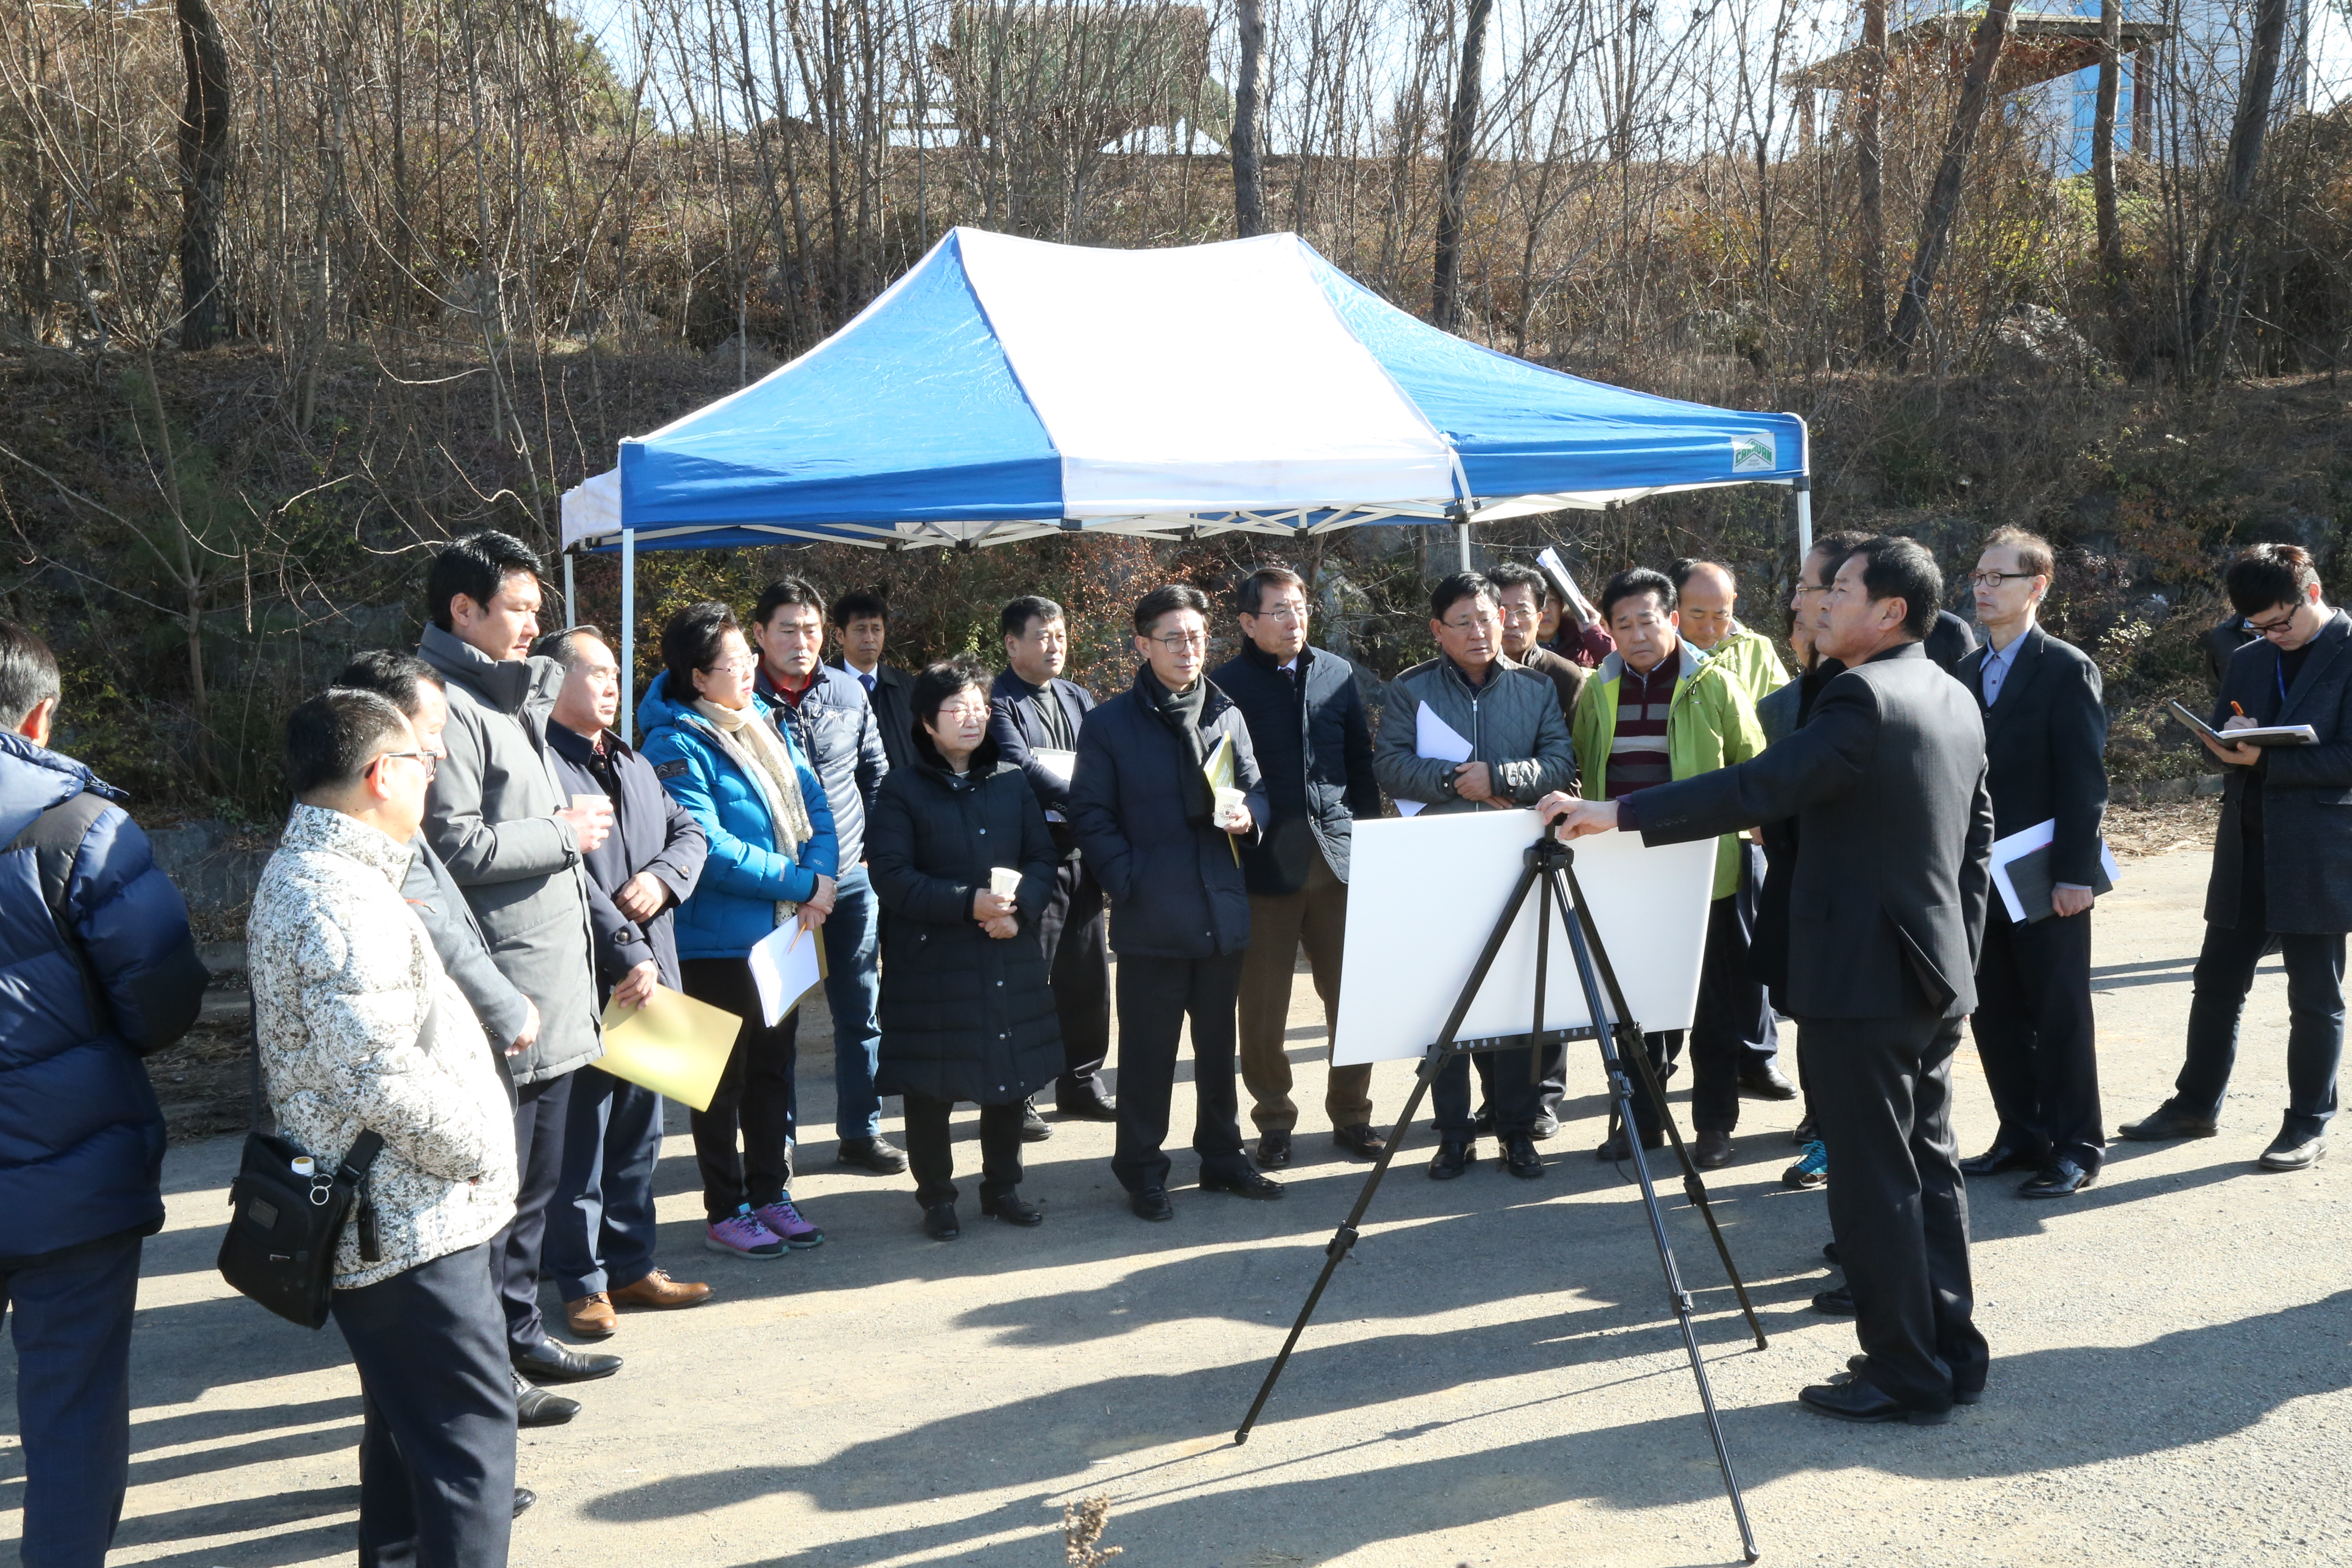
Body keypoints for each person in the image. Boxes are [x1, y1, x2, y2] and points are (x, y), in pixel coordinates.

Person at [1545, 534, 1996, 1426]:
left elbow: (1756, 786)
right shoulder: (1948, 689)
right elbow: (1971, 838)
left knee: (1874, 1184)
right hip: (1932, 973)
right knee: (1929, 1169)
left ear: (1890, 613)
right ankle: (1951, 1350)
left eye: (1840, 593)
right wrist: (1959, 954)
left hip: (1861, 983)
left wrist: (1615, 812)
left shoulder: (1863, 697)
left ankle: (1903, 1371)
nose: (1820, 606)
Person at [250, 688, 520, 1561]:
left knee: (407, 1453)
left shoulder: (330, 874)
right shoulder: (339, 897)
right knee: (469, 1457)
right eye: (423, 761)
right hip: (412, 1221)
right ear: (380, 775)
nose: (432, 776)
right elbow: (378, 1073)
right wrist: (477, 1144)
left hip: (396, 1217)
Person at [0, 619, 206, 1562]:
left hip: (63, 1173)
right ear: (38, 717)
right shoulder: (81, 826)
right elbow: (161, 996)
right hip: (72, 1179)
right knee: (73, 1415)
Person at [334, 650, 577, 1434]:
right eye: (428, 734)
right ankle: (466, 1443)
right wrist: (506, 1007)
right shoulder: (365, 844)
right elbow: (441, 929)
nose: (439, 752)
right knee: (438, 1289)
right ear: (381, 736)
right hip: (417, 1115)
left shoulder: (384, 823)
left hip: (429, 1096)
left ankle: (477, 1406)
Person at [416, 531, 618, 1392]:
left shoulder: (510, 697)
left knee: (536, 1188)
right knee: (501, 1195)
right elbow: (446, 844)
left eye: (539, 609)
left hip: (552, 982)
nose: (533, 625)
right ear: (463, 610)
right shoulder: (445, 707)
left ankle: (522, 1334)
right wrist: (560, 834)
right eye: (517, 609)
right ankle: (492, 1368)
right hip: (507, 989)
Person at [2123, 544, 2352, 1171]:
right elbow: (2225, 735)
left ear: (2312, 592)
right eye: (2259, 627)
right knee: (2217, 983)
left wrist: (2270, 758)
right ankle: (2194, 1105)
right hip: (2247, 840)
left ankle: (2308, 1121)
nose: (2273, 636)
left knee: (2314, 995)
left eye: (2282, 622)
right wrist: (2219, 744)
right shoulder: (2249, 658)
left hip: (2318, 848)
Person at [1068, 583, 1278, 1220]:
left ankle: (1222, 1156)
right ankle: (1142, 1169)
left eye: (1196, 637)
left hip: (1220, 907)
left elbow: (1258, 789)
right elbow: (1090, 816)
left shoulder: (1226, 711)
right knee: (1149, 1056)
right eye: (1173, 639)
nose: (1188, 650)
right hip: (1151, 914)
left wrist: (1251, 818)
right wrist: (1128, 881)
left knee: (1218, 1050)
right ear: (1141, 644)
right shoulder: (1109, 724)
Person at [640, 602, 841, 1257]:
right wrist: (802, 884)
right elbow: (712, 849)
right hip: (714, 943)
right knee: (716, 1085)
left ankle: (771, 1194)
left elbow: (816, 805)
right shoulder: (673, 741)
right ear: (699, 677)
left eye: (750, 660)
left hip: (781, 931)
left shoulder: (764, 723)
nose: (751, 672)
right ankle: (726, 1208)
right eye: (735, 664)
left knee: (772, 1074)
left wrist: (819, 880)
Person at [534, 626, 715, 1335]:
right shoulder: (541, 768)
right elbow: (565, 878)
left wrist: (663, 879)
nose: (612, 685)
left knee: (640, 1138)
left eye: (616, 673)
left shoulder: (631, 759)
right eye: (596, 673)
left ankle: (634, 1266)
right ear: (552, 681)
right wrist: (625, 949)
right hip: (590, 985)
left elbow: (689, 833)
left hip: (654, 980)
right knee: (580, 1144)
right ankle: (581, 1284)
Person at [1374, 570, 1575, 1180]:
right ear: (1438, 631)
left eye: (1488, 618)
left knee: (1514, 1005)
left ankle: (1517, 1131)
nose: (1481, 631)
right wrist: (1456, 779)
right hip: (1440, 863)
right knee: (1449, 1005)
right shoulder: (1410, 689)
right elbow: (1390, 765)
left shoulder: (1537, 688)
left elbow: (1561, 763)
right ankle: (1454, 1134)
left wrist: (1505, 778)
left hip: (1514, 862)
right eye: (1463, 622)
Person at [1570, 567, 1769, 1166]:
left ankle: (1714, 1126)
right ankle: (1642, 1124)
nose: (1636, 635)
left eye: (1647, 621)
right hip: (1625, 875)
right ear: (1609, 630)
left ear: (1673, 622)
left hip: (1704, 874)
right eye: (1622, 624)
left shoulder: (1717, 686)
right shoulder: (1596, 691)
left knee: (1712, 1009)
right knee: (1635, 1012)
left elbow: (1753, 772)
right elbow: (1584, 766)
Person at [867, 659, 1064, 1239]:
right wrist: (968, 903)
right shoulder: (901, 789)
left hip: (1005, 949)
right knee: (932, 1085)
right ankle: (937, 1197)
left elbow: (1042, 859)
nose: (973, 717)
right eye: (957, 708)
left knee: (1008, 1074)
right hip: (933, 960)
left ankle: (1003, 1188)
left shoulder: (1011, 779)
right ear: (927, 723)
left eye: (979, 706)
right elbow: (893, 876)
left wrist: (1021, 908)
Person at [1210, 566, 1386, 1168]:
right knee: (1263, 1008)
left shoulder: (1336, 674)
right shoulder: (1225, 687)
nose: (1294, 619)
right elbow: (1221, 777)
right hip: (1264, 865)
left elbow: (1359, 767)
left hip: (1338, 860)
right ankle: (1275, 1120)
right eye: (1280, 610)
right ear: (1248, 622)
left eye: (1301, 607)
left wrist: (1370, 842)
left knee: (1353, 997)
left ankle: (1354, 1115)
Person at [1955, 529, 2111, 1198]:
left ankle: (2077, 1144)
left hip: (2045, 870)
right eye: (1981, 577)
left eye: (2000, 578)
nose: (1984, 589)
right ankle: (2021, 1132)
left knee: (2060, 1009)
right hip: (1977, 872)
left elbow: (2085, 781)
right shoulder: (1962, 670)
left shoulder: (2065, 667)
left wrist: (2076, 873)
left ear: (2037, 587)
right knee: (1993, 1009)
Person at [751, 578, 902, 1176]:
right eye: (787, 629)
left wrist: (868, 854)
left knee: (859, 1012)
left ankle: (860, 1132)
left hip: (850, 880)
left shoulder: (845, 690)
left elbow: (878, 773)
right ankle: (776, 1144)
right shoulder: (741, 695)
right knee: (777, 1019)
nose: (801, 640)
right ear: (759, 634)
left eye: (810, 629)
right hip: (780, 888)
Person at [1753, 533, 1870, 1194]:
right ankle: (1824, 1126)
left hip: (1859, 911)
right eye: (1797, 614)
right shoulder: (1779, 706)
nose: (1806, 618)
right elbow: (1755, 788)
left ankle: (1839, 1142)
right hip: (1794, 882)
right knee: (1811, 1017)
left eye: (1814, 600)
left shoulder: (1874, 692)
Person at [1668, 558, 1797, 1120]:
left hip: (1740, 828)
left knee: (1746, 948)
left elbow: (1778, 730)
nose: (1714, 627)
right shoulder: (1652, 652)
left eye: (1724, 614)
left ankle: (1758, 1054)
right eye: (1699, 615)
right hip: (1670, 827)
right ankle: (1662, 1060)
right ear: (1674, 610)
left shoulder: (1755, 649)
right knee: (1673, 956)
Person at [989, 595, 1118, 1127]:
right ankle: (1016, 1092)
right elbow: (1016, 764)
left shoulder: (1076, 695)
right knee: (1026, 977)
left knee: (1086, 975)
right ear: (1012, 643)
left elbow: (1103, 757)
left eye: (1060, 635)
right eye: (1043, 636)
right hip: (1029, 858)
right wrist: (1080, 800)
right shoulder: (995, 700)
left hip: (1082, 852)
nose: (1055, 646)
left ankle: (1081, 1081)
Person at [1489, 559, 1589, 725]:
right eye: (1502, 612)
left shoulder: (1567, 677)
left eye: (1523, 612)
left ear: (1538, 618)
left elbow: (1578, 745)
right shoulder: (1472, 672)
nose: (1512, 622)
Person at [829, 589, 917, 774]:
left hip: (905, 800)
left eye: (876, 629)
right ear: (840, 635)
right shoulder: (823, 689)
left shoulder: (910, 688)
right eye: (860, 629)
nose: (869, 638)